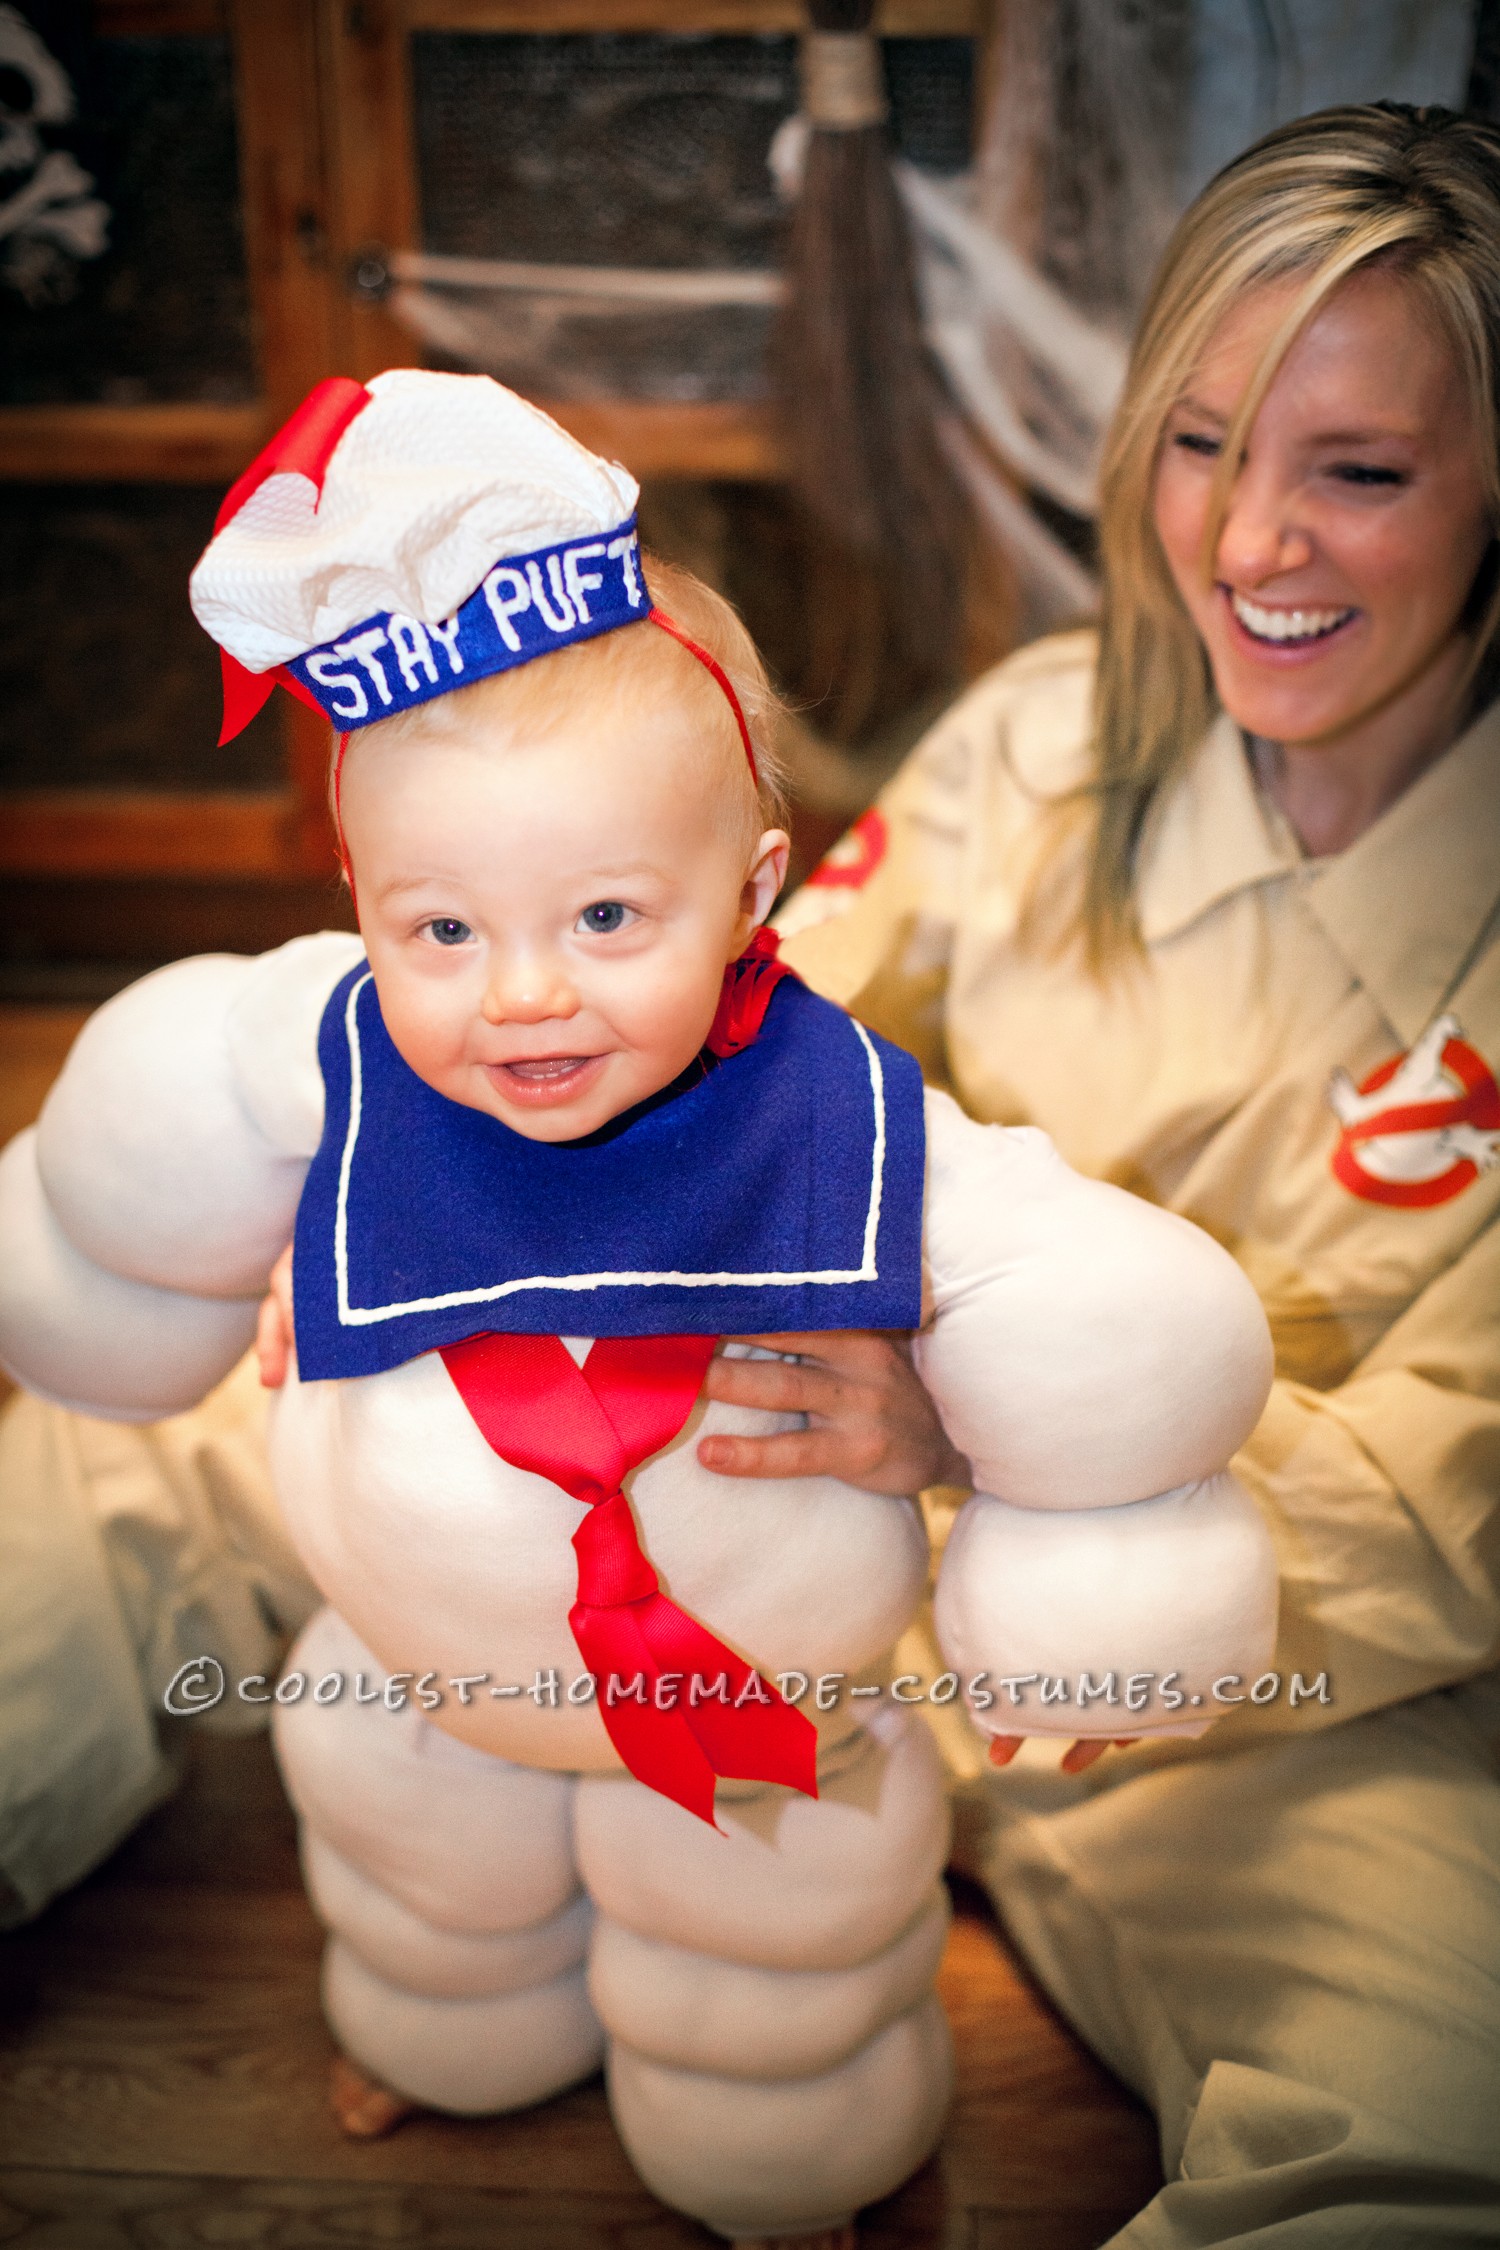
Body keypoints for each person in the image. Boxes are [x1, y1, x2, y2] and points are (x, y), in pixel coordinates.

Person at [0, 369, 1273, 2245]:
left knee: (776, 1977)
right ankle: (443, 2040)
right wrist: (140, 1270)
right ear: (357, 895)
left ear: (753, 887)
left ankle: (792, 2158)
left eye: (607, 919)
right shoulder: (325, 1054)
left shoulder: (847, 1117)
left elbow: (1103, 1319)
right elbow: (125, 1172)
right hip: (427, 1663)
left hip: (757, 1693)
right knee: (425, 1893)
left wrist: (1083, 1547)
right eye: (441, 928)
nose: (521, 997)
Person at [741, 97, 1500, 2248]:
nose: (1250, 545)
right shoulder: (1038, 742)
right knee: (197, 1439)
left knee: (1434, 2144)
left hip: (1274, 1704)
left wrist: (1024, 1461)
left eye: (1356, 470)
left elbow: (1460, 1499)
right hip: (820, 1524)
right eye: (1198, 445)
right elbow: (750, 1033)